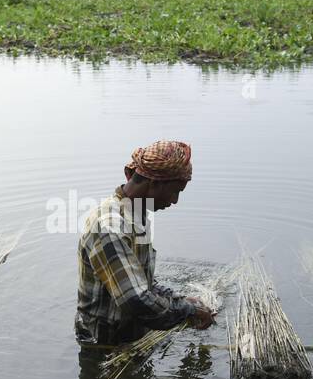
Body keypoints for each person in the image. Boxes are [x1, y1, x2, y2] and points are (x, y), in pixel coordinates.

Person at [75, 140, 214, 346]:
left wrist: (183, 301)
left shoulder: (136, 215)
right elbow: (136, 301)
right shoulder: (109, 226)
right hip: (104, 345)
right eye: (176, 191)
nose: (175, 201)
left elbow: (143, 282)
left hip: (129, 337)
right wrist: (188, 311)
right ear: (154, 183)